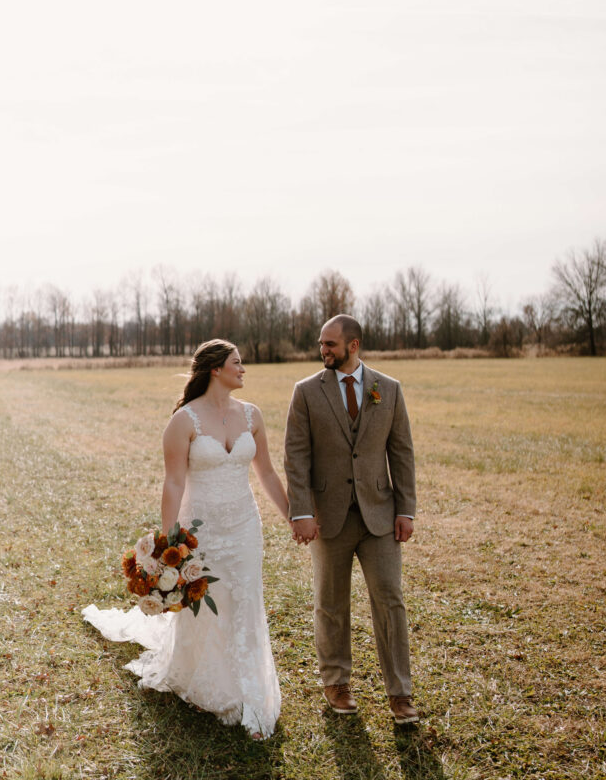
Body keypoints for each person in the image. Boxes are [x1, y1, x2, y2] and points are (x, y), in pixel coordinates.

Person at [83, 339, 289, 739]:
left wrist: (294, 518)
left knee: (246, 600)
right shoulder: (184, 421)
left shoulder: (252, 415)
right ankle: (204, 681)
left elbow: (266, 473)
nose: (243, 369)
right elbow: (174, 482)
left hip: (245, 526)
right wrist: (169, 545)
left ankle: (250, 689)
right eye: (237, 363)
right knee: (207, 609)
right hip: (202, 530)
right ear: (215, 369)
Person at [284, 314, 419, 723]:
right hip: (329, 517)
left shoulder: (388, 389)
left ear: (353, 345)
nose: (323, 350)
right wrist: (302, 512)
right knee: (330, 603)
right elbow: (296, 456)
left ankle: (400, 693)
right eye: (321, 344)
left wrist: (406, 509)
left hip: (380, 515)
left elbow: (402, 453)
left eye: (330, 344)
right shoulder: (306, 392)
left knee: (390, 601)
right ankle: (337, 682)